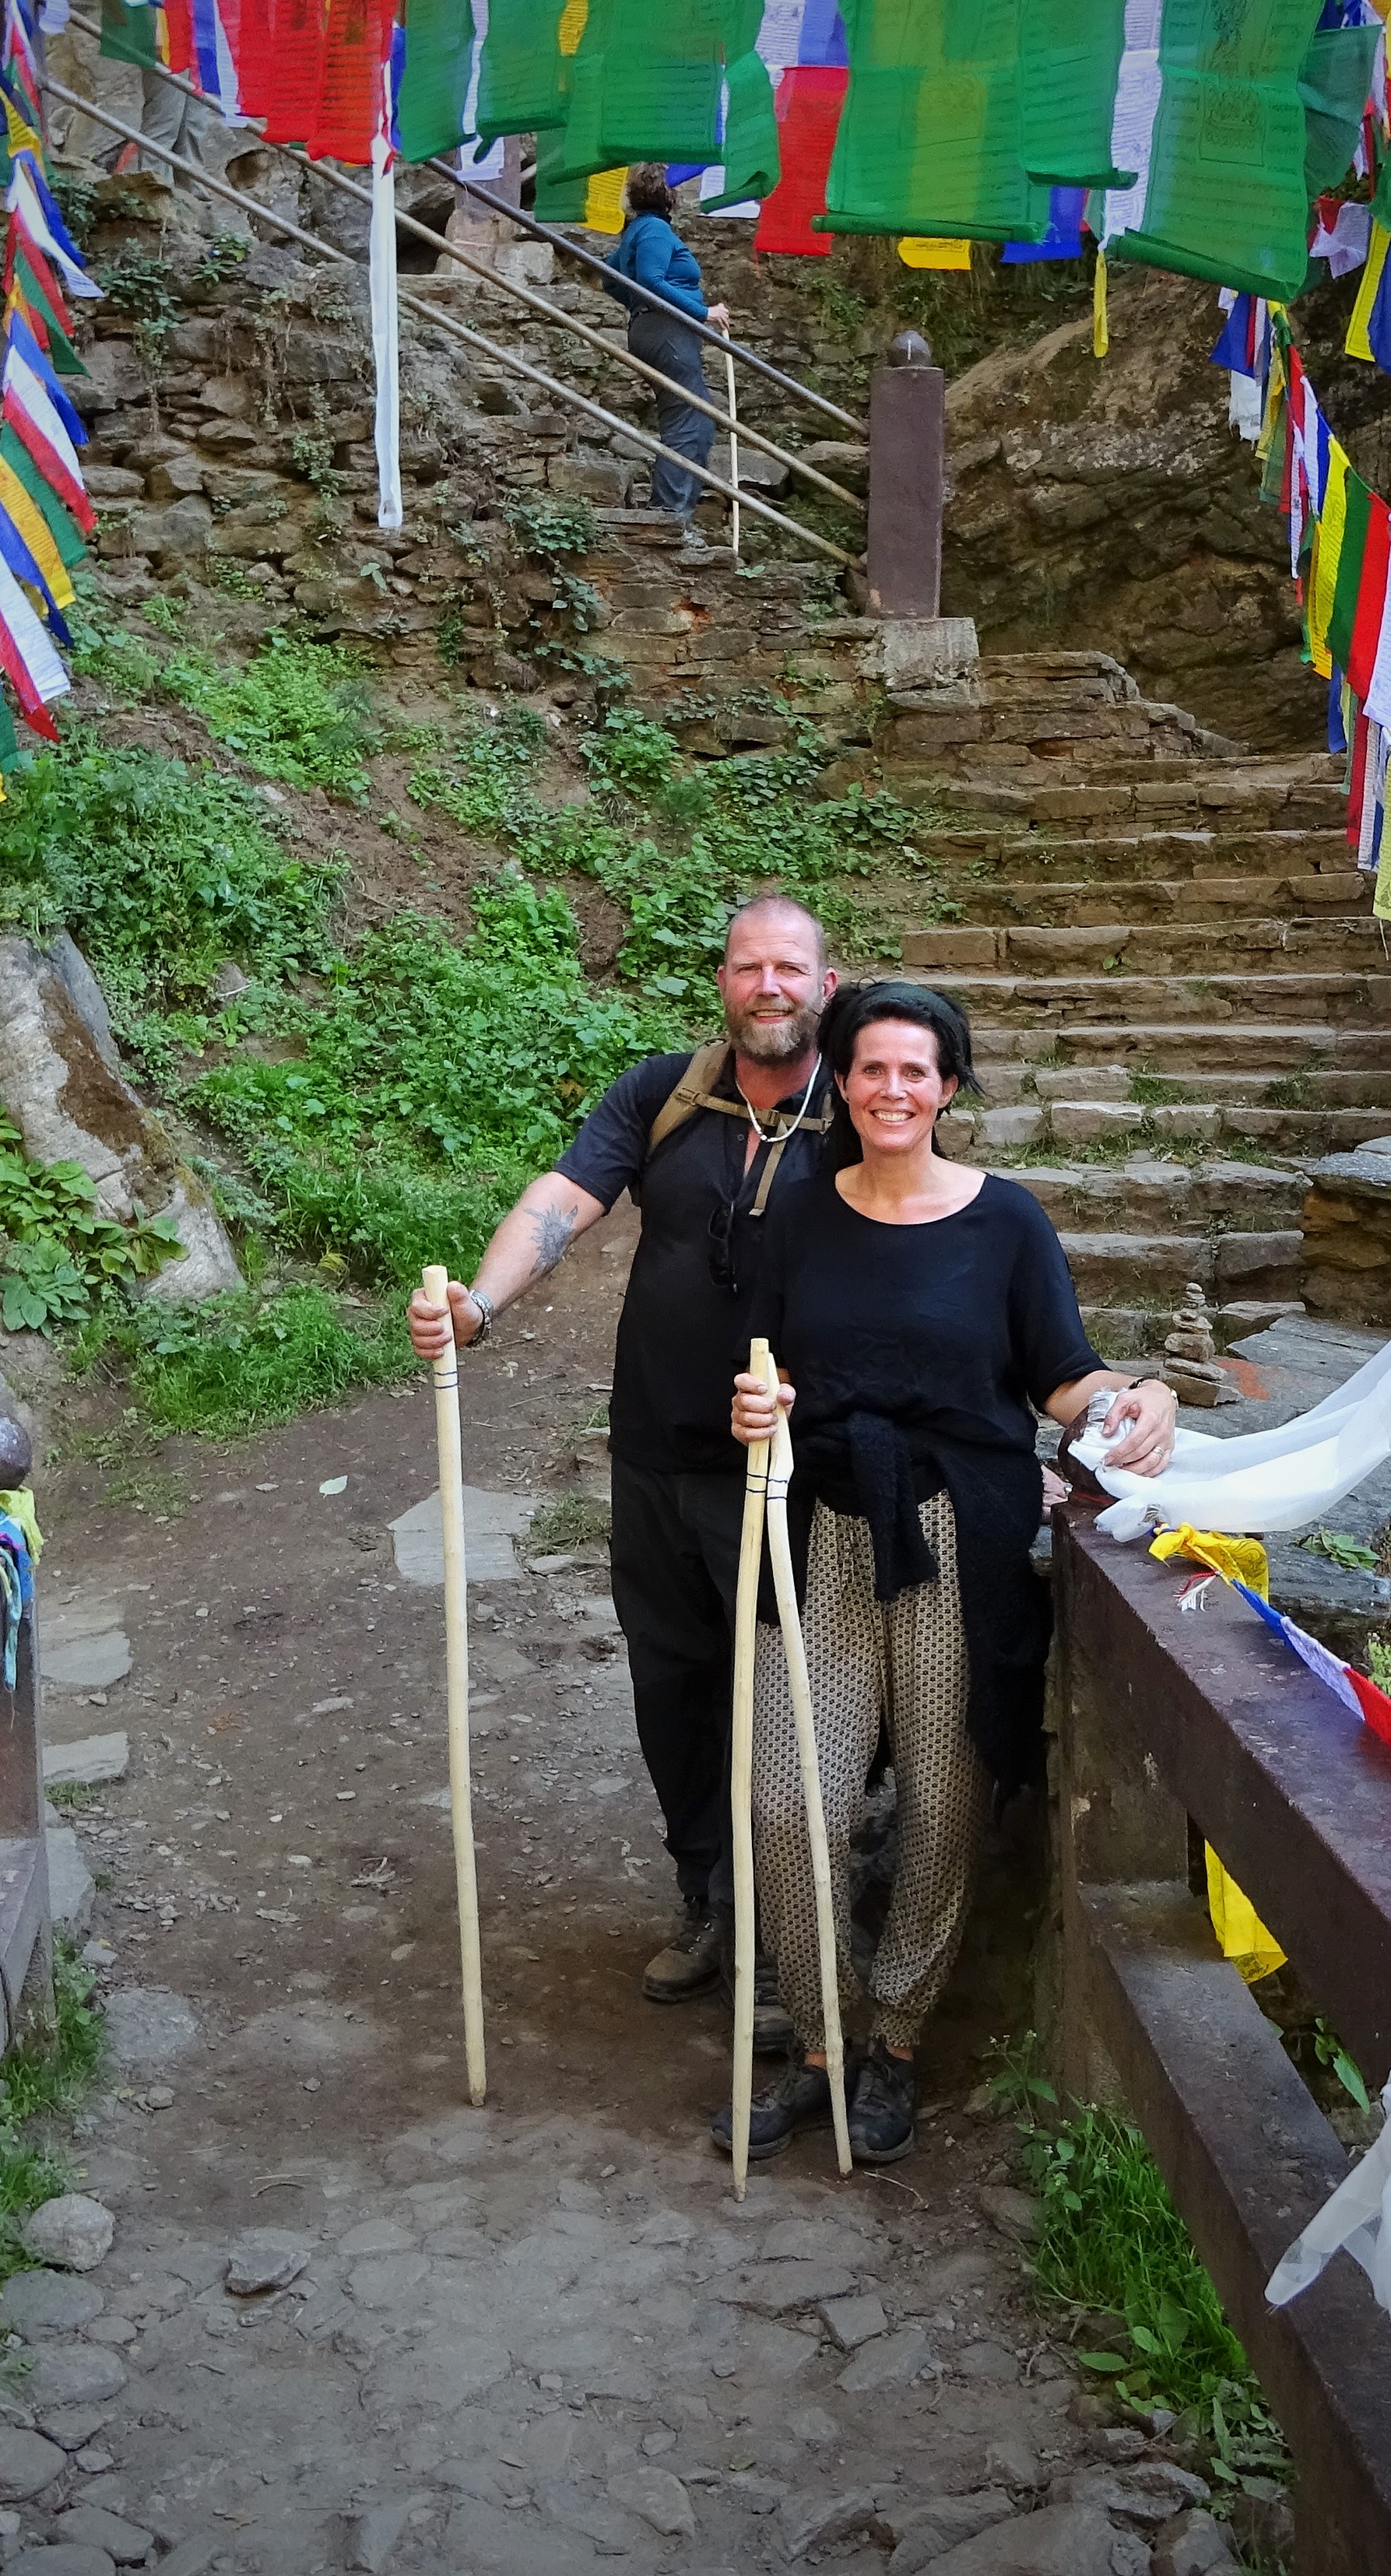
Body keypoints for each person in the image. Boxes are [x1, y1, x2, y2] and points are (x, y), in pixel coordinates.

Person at [716, 983, 1179, 2165]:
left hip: (956, 1540)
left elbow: (1064, 1378)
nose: (891, 1091)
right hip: (821, 1527)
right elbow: (759, 1374)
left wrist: (1141, 1397)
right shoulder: (801, 1220)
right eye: (871, 1069)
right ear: (844, 1083)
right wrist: (756, 1406)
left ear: (951, 1089)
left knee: (939, 1800)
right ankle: (821, 2040)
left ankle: (898, 2044)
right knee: (784, 1799)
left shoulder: (1005, 1224)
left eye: (916, 1072)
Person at [407, 896, 839, 2024]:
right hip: (654, 1451)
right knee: (672, 1683)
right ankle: (709, 1896)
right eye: (749, 966)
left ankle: (799, 1927)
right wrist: (480, 1308)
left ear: (825, 986)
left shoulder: (867, 1105)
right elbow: (564, 1198)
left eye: (790, 968)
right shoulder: (664, 1094)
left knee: (791, 1693)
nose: (770, 987)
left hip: (798, 1462)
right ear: (723, 981)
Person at [601, 163, 731, 563]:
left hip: (656, 329)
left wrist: (637, 308)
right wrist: (702, 312)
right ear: (670, 194)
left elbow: (609, 275)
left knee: (697, 420)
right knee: (688, 421)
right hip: (667, 331)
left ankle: (675, 515)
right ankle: (669, 516)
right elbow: (653, 280)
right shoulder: (655, 231)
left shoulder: (637, 231)